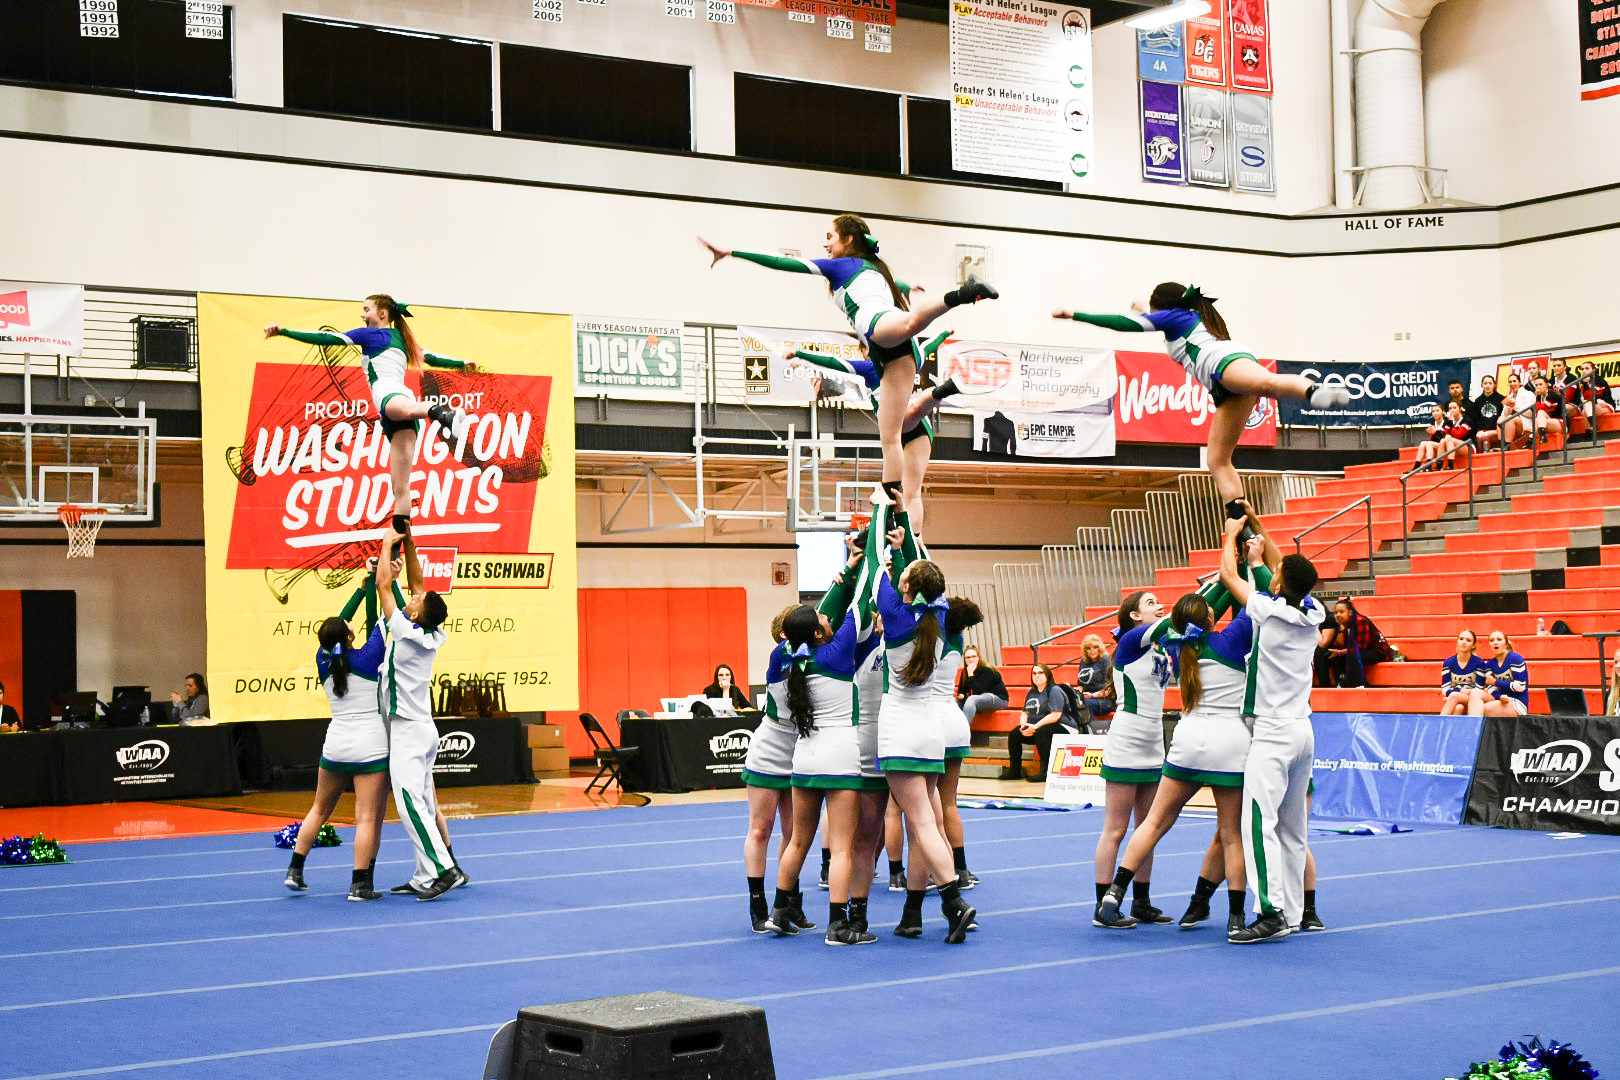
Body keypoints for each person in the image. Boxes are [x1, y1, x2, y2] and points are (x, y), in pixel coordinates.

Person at [700, 214, 998, 508]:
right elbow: (889, 286)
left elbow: (782, 262)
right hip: (891, 357)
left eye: (830, 236)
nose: (826, 243)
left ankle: (964, 292)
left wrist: (731, 252)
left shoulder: (843, 265)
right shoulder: (875, 268)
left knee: (910, 324)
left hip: (877, 323)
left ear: (849, 238)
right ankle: (892, 501)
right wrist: (905, 287)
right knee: (891, 437)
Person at [1054, 285, 1349, 507]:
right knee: (1217, 460)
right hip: (1223, 387)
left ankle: (1314, 391)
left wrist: (1074, 315)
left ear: (1162, 308)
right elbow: (1153, 314)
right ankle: (1238, 515)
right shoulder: (1184, 315)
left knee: (1266, 383)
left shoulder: (1175, 317)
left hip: (1223, 363)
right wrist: (1141, 306)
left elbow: (1125, 324)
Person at [1094, 561, 1263, 932]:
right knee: (1122, 828)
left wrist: (1222, 580)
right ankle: (1234, 918)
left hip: (1174, 740)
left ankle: (1132, 898)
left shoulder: (1175, 645)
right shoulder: (1137, 640)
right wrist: (1237, 573)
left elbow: (1191, 616)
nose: (1159, 606)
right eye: (1151, 602)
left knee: (1150, 823)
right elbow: (1249, 605)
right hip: (1185, 739)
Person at [265, 296, 473, 543]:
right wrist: (459, 363)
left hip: (388, 392)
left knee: (404, 410)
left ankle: (443, 414)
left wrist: (285, 331)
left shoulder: (369, 335)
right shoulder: (401, 337)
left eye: (366, 309)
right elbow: (430, 356)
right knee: (400, 487)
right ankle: (400, 537)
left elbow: (328, 338)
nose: (362, 314)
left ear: (383, 314)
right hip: (403, 400)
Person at [871, 504, 978, 944]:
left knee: (921, 822)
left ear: (908, 587)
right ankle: (912, 913)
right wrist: (904, 548)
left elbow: (873, 567)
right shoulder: (941, 619)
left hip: (900, 728)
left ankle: (953, 901)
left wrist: (881, 511)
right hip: (932, 732)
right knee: (925, 823)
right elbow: (923, 579)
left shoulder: (896, 618)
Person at [761, 545, 876, 947]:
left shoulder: (785, 656)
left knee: (798, 840)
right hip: (839, 756)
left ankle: (780, 910)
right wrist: (869, 554)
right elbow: (861, 602)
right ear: (817, 633)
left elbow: (820, 615)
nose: (828, 618)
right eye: (823, 620)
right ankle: (838, 925)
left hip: (804, 757)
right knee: (842, 848)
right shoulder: (837, 651)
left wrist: (844, 570)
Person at [1218, 505, 1323, 942]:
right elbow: (1291, 572)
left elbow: (1229, 576)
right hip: (1303, 729)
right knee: (1293, 828)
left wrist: (1232, 534)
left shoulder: (1267, 609)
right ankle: (1293, 913)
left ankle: (1271, 911)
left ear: (1277, 585)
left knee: (1257, 823)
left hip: (1274, 731)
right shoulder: (1313, 612)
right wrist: (1258, 528)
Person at [283, 565, 391, 901]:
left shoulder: (323, 658)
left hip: (336, 744)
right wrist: (377, 586)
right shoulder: (370, 656)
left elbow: (336, 627)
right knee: (367, 818)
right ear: (349, 637)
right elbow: (381, 620)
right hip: (370, 746)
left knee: (318, 809)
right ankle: (360, 884)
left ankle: (295, 869)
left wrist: (361, 589)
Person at [375, 525, 466, 901]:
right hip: (422, 728)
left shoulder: (405, 630)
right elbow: (418, 582)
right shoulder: (427, 630)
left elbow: (383, 585)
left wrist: (386, 545)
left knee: (409, 802)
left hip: (410, 731)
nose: (414, 595)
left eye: (416, 600)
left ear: (415, 613)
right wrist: (410, 543)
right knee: (424, 803)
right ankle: (424, 874)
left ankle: (444, 869)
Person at [935, 596, 987, 892]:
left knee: (926, 809)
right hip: (954, 722)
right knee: (949, 803)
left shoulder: (930, 638)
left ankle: (937, 869)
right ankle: (961, 869)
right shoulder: (957, 639)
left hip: (933, 723)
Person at [1003, 664, 1076, 781]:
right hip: (1040, 727)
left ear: (1047, 675)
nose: (1037, 676)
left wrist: (1035, 727)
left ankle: (1046, 772)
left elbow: (1055, 715)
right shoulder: (1032, 692)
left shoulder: (1054, 690)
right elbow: (1025, 713)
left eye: (1040, 673)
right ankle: (1015, 771)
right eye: (1034, 673)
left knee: (1042, 733)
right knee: (1015, 734)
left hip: (1064, 726)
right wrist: (1023, 726)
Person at [1313, 597, 1389, 689]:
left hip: (1375, 651)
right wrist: (1341, 629)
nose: (1338, 615)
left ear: (1350, 612)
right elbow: (1340, 645)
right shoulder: (1343, 623)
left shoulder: (1360, 621)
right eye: (1336, 613)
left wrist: (1340, 652)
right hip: (1355, 651)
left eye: (1341, 612)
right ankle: (1332, 685)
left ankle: (1360, 684)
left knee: (1351, 656)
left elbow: (1361, 647)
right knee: (1326, 654)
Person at [1469, 630, 1529, 717]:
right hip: (1499, 699)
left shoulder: (1515, 658)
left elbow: (1520, 686)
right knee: (1475, 693)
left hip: (1517, 702)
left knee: (1483, 709)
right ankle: (1473, 725)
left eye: (1499, 639)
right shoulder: (1489, 664)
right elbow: (1491, 690)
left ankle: (1474, 725)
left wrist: (1496, 682)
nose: (1495, 642)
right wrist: (1499, 696)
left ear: (1506, 644)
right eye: (1492, 640)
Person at [956, 644, 1009, 724]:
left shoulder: (987, 670)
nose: (971, 660)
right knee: (953, 702)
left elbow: (980, 690)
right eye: (968, 657)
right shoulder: (965, 671)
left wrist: (970, 674)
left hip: (998, 699)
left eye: (973, 656)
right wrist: (961, 695)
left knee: (972, 699)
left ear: (978, 658)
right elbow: (961, 690)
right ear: (965, 660)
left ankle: (963, 730)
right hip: (980, 699)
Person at [1073, 635, 1116, 734]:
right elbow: (1081, 685)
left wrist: (1092, 695)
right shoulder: (1084, 661)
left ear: (1100, 648)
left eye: (1095, 647)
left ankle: (1090, 733)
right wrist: (1075, 693)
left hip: (1106, 699)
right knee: (1072, 703)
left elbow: (1110, 688)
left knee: (1086, 705)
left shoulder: (1106, 660)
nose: (1092, 650)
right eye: (1088, 648)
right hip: (1088, 697)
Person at [1440, 629, 1488, 715]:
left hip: (1473, 699)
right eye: (1461, 639)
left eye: (1468, 640)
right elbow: (1445, 690)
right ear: (1457, 641)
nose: (1464, 642)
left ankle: (1439, 722)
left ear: (1473, 645)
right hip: (1455, 699)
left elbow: (1479, 689)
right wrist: (1460, 691)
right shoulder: (1448, 662)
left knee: (1454, 696)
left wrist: (1456, 693)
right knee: (1458, 708)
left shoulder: (1479, 663)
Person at [1471, 374, 1505, 449]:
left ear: (1494, 385)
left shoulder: (1501, 398)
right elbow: (1476, 418)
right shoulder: (1478, 400)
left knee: (1485, 436)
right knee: (1479, 436)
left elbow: (1503, 415)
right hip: (1483, 429)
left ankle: (1487, 453)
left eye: (1490, 383)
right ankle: (1482, 454)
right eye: (1485, 383)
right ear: (1482, 385)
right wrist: (1481, 429)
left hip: (1496, 429)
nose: (1487, 385)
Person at [1414, 403, 1449, 469]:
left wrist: (1436, 432)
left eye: (1437, 411)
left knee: (1429, 443)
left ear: (1443, 412)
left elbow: (1446, 437)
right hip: (1437, 445)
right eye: (1433, 411)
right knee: (1423, 443)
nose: (1435, 413)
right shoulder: (1433, 423)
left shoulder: (1447, 422)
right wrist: (1433, 433)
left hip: (1445, 446)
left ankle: (1429, 465)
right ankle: (1416, 467)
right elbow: (1433, 439)